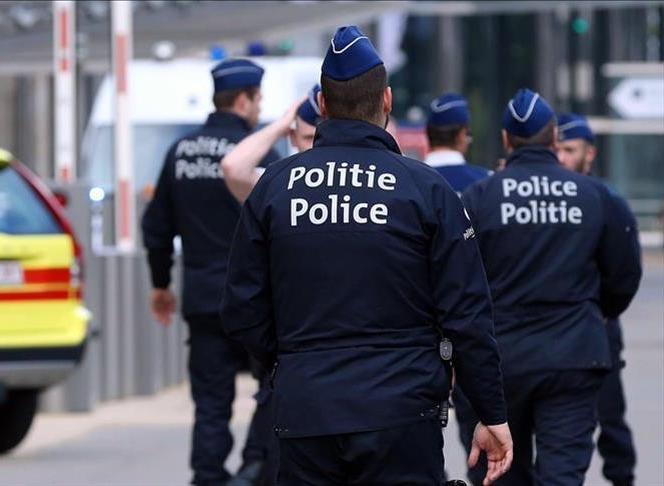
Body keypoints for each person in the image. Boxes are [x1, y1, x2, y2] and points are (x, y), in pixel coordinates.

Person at [220, 25, 513, 485]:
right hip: (403, 410)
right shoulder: (425, 189)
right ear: (387, 100)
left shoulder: (276, 188)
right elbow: (468, 313)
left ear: (322, 105)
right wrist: (490, 411)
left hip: (307, 411)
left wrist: (290, 366)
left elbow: (242, 307)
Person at [458, 89, 643, 485]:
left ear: (506, 140)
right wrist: (600, 311)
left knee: (503, 472)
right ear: (555, 138)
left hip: (501, 361)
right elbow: (625, 272)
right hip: (573, 357)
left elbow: (459, 282)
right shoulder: (595, 196)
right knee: (562, 474)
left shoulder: (480, 198)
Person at [141, 58, 280, 486]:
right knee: (273, 389)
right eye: (258, 99)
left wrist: (161, 283)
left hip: (203, 298)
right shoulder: (257, 153)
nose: (259, 108)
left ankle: (208, 477)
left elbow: (156, 227)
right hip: (256, 302)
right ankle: (255, 466)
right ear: (243, 100)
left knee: (210, 402)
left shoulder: (180, 152)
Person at [556, 113, 638, 486]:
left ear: (589, 153)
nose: (562, 158)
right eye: (557, 149)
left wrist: (604, 310)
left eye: (570, 150)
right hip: (557, 328)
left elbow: (625, 268)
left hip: (598, 325)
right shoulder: (549, 199)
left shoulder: (605, 200)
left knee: (611, 418)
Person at [221, 85, 321, 203]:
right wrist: (283, 122)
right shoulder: (285, 182)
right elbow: (233, 168)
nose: (318, 145)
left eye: (323, 136)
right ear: (293, 138)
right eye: (309, 138)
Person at [424, 93, 491, 193]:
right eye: (468, 134)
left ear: (428, 133)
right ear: (462, 134)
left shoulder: (408, 180)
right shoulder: (487, 181)